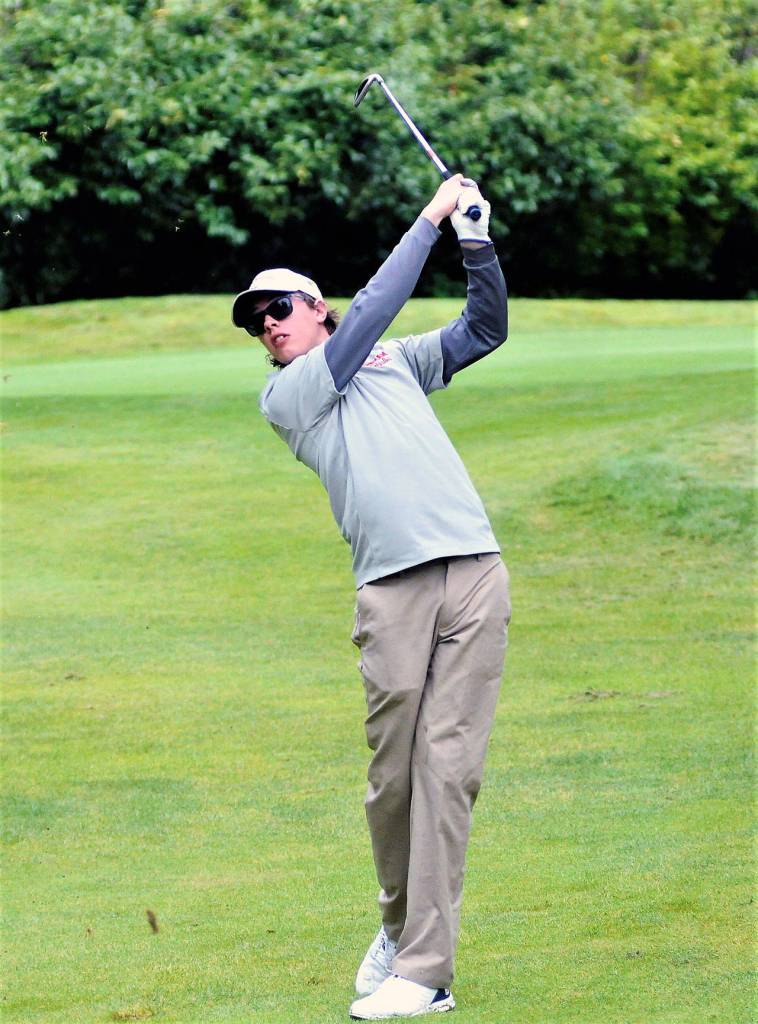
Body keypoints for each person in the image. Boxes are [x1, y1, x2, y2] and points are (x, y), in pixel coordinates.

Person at [231, 174, 511, 1020]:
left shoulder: (394, 359)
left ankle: (426, 971)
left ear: (316, 305)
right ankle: (397, 929)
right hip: (390, 592)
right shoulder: (292, 394)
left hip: (474, 570)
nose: (268, 324)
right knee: (394, 780)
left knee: (447, 768)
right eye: (256, 320)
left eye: (278, 306)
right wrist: (426, 220)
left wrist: (474, 242)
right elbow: (368, 321)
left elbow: (483, 330)